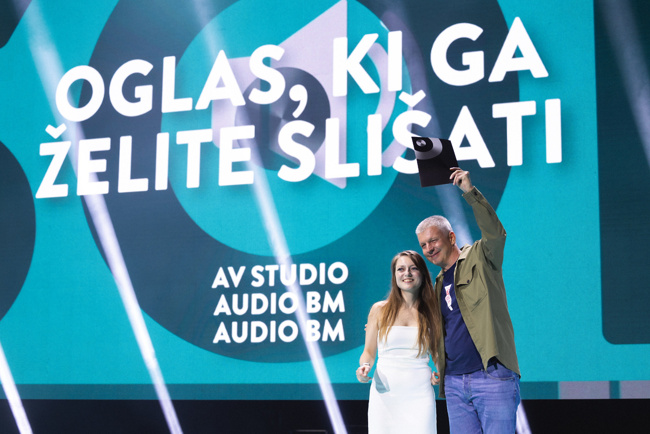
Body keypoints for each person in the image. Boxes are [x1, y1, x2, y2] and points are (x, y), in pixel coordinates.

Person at [416, 167, 521, 433]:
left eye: (433, 241)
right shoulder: (437, 283)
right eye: (423, 245)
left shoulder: (480, 257)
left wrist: (470, 192)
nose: (429, 249)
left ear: (451, 237)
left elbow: (496, 234)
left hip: (491, 375)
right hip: (453, 383)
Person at [356, 250, 442, 433]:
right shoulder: (379, 310)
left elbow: (437, 352)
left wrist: (441, 372)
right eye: (401, 269)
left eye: (413, 268)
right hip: (384, 395)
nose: (407, 273)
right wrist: (364, 367)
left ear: (422, 274)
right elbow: (369, 352)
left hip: (420, 394)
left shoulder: (433, 311)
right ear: (394, 275)